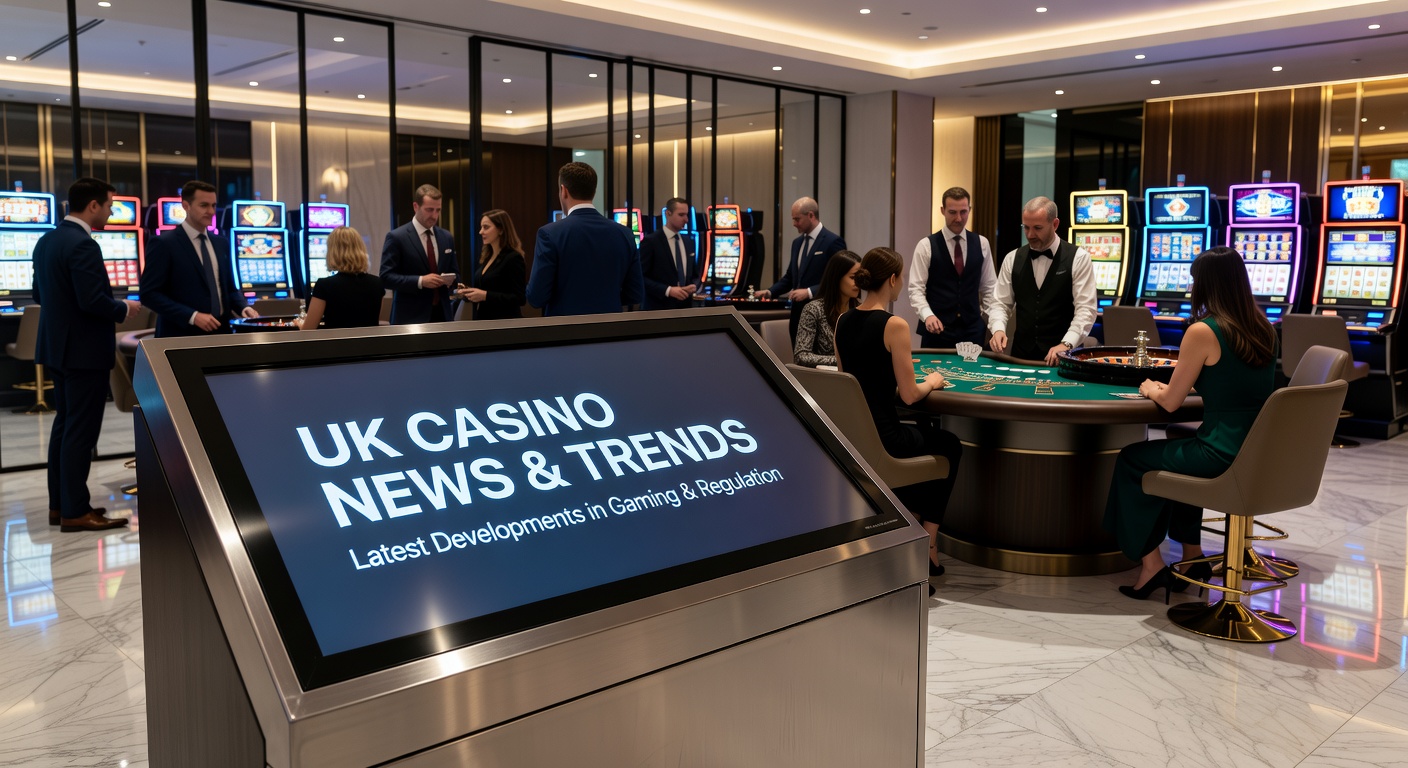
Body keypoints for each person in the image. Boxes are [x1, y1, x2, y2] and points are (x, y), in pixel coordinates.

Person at [1103, 246, 1277, 602]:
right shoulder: (1265, 328)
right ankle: (1192, 557)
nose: (1192, 287)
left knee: (1131, 459)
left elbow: (1170, 402)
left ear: (1208, 285)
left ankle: (1151, 564)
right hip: (1256, 452)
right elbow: (1231, 381)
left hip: (1219, 453)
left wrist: (1151, 388)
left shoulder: (1202, 331)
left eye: (1196, 281)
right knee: (1179, 447)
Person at [835, 247, 963, 585]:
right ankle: (929, 544)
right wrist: (932, 381)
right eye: (901, 277)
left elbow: (851, 384)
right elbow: (909, 395)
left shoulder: (842, 321)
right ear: (892, 279)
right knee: (950, 444)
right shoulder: (894, 325)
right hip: (886, 439)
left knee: (925, 434)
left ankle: (911, 527)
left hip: (853, 440)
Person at [32, 177, 140, 532]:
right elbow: (92, 300)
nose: (110, 212)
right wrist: (124, 308)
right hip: (83, 352)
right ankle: (76, 512)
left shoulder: (47, 240)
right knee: (80, 432)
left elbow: (38, 294)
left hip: (57, 348)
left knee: (65, 427)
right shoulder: (83, 244)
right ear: (93, 205)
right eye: (109, 205)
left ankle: (60, 505)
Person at [988, 196, 1098, 364]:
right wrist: (998, 329)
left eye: (1038, 228)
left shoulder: (1079, 258)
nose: (1030, 234)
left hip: (1065, 357)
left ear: (1055, 224)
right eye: (1026, 227)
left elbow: (1086, 310)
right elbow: (1000, 303)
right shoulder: (1012, 258)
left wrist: (1066, 344)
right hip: (1021, 356)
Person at [141, 180, 258, 338]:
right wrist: (192, 316)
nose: (211, 211)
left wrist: (243, 307)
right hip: (181, 335)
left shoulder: (221, 243)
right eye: (204, 205)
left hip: (221, 332)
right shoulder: (164, 243)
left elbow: (229, 288)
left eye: (213, 205)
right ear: (186, 206)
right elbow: (149, 294)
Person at [526, 162, 644, 316]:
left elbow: (536, 297)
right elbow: (635, 294)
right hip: (610, 325)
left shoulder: (550, 234)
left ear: (563, 191)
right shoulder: (625, 234)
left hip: (565, 326)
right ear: (593, 191)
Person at [908, 187, 997, 349]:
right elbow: (916, 289)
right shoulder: (926, 245)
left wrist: (994, 323)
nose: (958, 218)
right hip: (937, 330)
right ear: (943, 211)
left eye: (963, 212)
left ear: (969, 210)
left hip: (973, 330)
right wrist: (927, 315)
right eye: (952, 212)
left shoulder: (982, 243)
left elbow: (989, 288)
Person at [756, 197, 846, 341]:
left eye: (797, 219)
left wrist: (809, 292)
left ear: (811, 215)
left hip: (821, 315)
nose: (794, 224)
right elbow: (790, 277)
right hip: (797, 316)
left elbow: (839, 279)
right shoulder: (797, 243)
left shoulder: (833, 242)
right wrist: (770, 292)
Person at [380, 184, 457, 324]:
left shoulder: (446, 237)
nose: (434, 216)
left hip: (442, 316)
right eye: (429, 210)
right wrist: (420, 281)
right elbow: (386, 277)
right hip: (409, 317)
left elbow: (455, 273)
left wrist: (450, 281)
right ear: (416, 206)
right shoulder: (397, 237)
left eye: (438, 210)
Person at [297, 226, 383, 330]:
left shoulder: (324, 285)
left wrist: (299, 325)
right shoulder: (377, 283)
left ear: (332, 252)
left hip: (336, 341)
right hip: (369, 340)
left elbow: (308, 330)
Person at [793, 250, 860, 368]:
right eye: (853, 277)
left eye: (860, 277)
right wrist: (841, 360)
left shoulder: (859, 309)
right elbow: (801, 356)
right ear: (836, 277)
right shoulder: (813, 309)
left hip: (855, 374)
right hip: (824, 376)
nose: (858, 283)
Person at [455, 208, 526, 320]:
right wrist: (470, 292)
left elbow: (519, 298)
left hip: (503, 323)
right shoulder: (488, 257)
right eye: (481, 227)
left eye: (486, 227)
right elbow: (488, 288)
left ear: (501, 230)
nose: (481, 232)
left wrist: (485, 295)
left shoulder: (513, 258)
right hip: (484, 320)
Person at [639, 197, 699, 310]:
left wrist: (692, 286)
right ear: (668, 213)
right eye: (681, 215)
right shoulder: (651, 241)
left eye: (687, 215)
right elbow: (640, 276)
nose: (686, 219)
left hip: (685, 307)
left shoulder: (688, 241)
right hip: (659, 308)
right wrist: (668, 290)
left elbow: (694, 274)